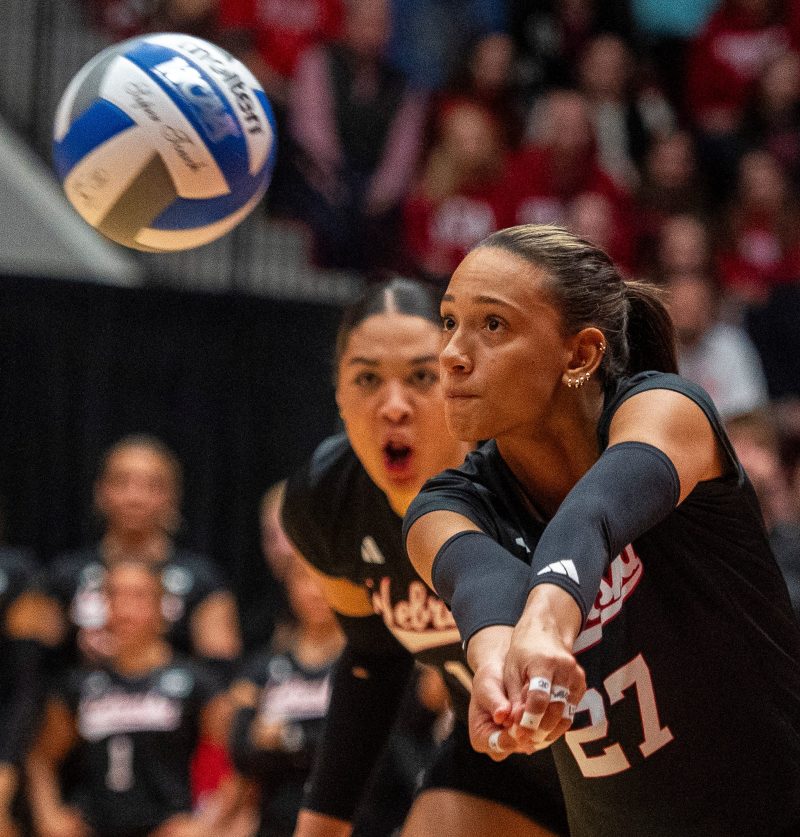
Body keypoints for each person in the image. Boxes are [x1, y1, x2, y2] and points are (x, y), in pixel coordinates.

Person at [403, 224, 800, 836]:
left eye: (493, 325)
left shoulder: (667, 412)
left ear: (581, 355)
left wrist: (545, 625)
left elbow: (591, 514)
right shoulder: (443, 506)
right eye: (450, 321)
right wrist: (498, 669)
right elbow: (482, 587)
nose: (452, 353)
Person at [282, 278, 568, 837]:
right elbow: (373, 658)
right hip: (501, 762)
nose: (393, 407)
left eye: (421, 377)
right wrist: (321, 825)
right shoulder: (325, 500)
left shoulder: (534, 474)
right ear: (338, 394)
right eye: (367, 379)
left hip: (625, 747)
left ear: (464, 379)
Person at [27, 559, 234, 837]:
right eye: (114, 596)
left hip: (167, 826)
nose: (125, 610)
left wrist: (206, 823)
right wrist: (51, 816)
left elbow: (239, 757)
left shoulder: (195, 682)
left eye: (138, 597)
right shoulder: (80, 685)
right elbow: (41, 758)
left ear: (162, 606)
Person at [39, 434, 242, 675]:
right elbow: (37, 665)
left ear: (173, 496)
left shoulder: (202, 579)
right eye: (121, 482)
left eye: (151, 485)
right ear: (100, 491)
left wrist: (150, 657)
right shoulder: (65, 575)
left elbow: (220, 670)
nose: (134, 497)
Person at [228, 553, 345, 837]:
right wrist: (312, 741)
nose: (315, 591)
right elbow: (242, 748)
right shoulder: (262, 668)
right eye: (304, 579)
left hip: (350, 819)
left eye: (324, 578)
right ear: (288, 585)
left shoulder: (368, 667)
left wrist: (287, 738)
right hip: (277, 819)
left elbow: (357, 745)